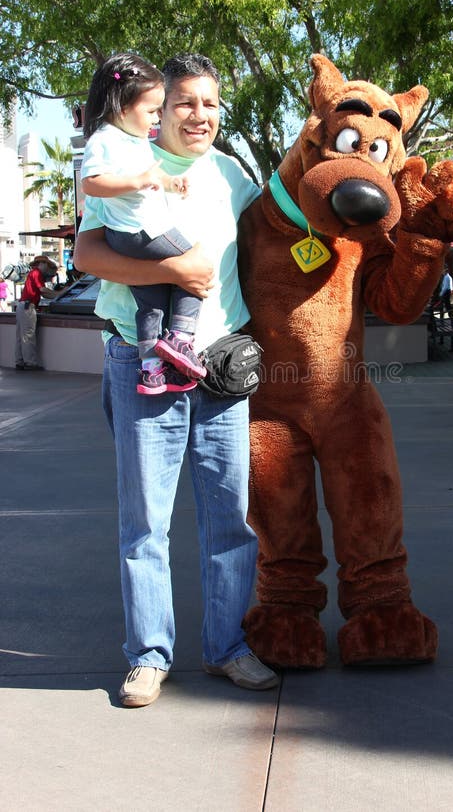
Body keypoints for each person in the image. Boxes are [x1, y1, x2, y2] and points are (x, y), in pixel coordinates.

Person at [74, 53, 279, 707]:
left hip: (219, 366)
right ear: (159, 110)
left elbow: (280, 234)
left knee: (231, 520)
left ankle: (227, 649)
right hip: (142, 364)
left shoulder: (230, 176)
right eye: (186, 102)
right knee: (145, 523)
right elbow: (87, 254)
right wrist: (177, 274)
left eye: (211, 104)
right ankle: (149, 656)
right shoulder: (130, 165)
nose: (200, 115)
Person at [81, 52, 206, 396]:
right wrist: (137, 181)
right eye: (151, 111)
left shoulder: (134, 142)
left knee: (150, 303)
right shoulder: (105, 139)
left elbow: (151, 176)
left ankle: (152, 369)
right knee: (195, 266)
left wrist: (168, 183)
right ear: (122, 106)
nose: (155, 119)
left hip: (135, 234)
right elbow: (91, 183)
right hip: (139, 231)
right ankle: (180, 338)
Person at [15, 255, 58, 370]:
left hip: (22, 306)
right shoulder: (37, 273)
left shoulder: (32, 273)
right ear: (42, 264)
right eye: (47, 266)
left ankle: (19, 361)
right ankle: (30, 363)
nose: (47, 270)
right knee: (28, 336)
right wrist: (59, 294)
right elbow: (43, 290)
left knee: (20, 336)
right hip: (28, 307)